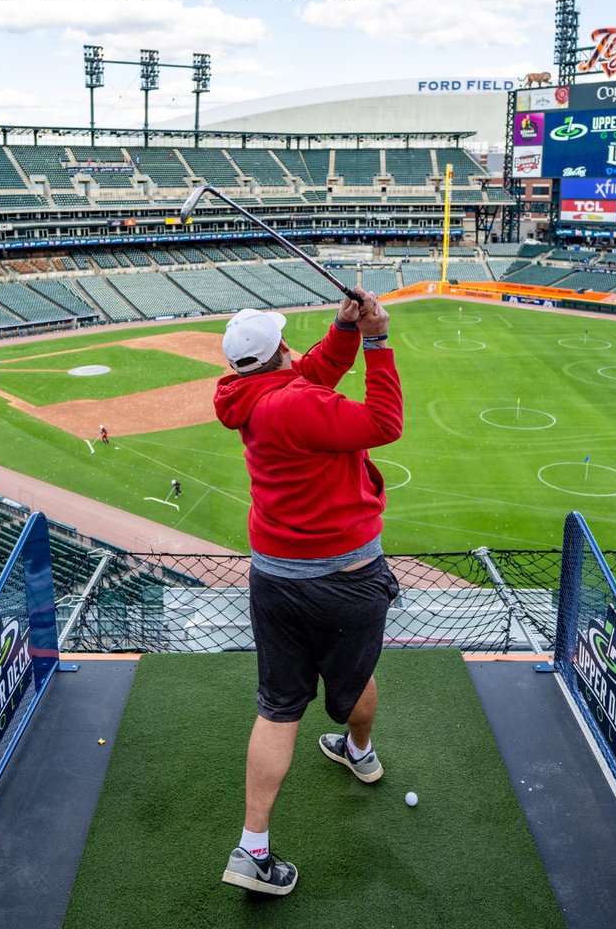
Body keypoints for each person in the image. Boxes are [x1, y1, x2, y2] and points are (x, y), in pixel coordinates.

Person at [213, 289, 403, 897]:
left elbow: (308, 374)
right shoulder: (293, 405)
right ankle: (359, 750)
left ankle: (252, 848)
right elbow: (384, 424)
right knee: (357, 677)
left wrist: (344, 329)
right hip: (345, 576)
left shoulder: (248, 394)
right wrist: (377, 343)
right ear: (277, 354)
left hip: (275, 575)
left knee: (277, 706)